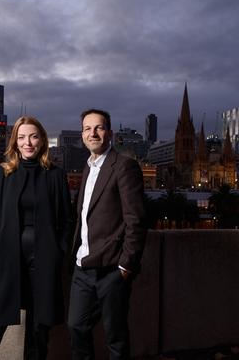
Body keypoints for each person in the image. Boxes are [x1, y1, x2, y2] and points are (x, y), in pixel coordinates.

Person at [0, 116, 73, 360]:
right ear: (15, 142)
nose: (28, 142)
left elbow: (67, 221)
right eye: (21, 137)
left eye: (33, 136)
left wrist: (59, 251)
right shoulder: (1, 174)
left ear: (42, 141)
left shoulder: (55, 175)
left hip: (44, 262)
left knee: (39, 331)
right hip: (6, 258)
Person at [67, 109, 147, 359]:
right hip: (83, 268)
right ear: (82, 135)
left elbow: (136, 219)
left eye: (99, 128)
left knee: (116, 337)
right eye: (87, 128)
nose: (93, 133)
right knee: (76, 326)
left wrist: (126, 265)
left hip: (112, 269)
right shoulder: (88, 168)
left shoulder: (124, 166)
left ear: (109, 133)